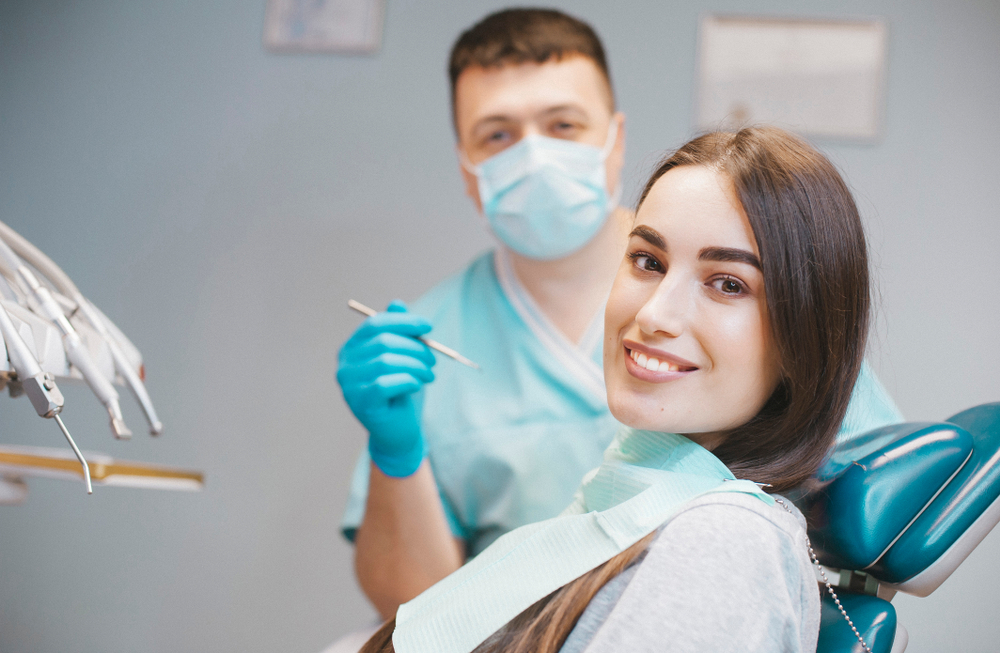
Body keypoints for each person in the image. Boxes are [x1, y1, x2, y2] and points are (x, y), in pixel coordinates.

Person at [335, 8, 902, 620]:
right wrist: (396, 451)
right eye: (498, 134)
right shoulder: (430, 338)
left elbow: (877, 518)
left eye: (563, 124)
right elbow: (420, 611)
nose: (657, 317)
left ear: (615, 140)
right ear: (466, 165)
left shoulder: (735, 529)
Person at [358, 125, 869, 653]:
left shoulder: (725, 542)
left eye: (728, 284)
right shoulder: (622, 501)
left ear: (803, 342)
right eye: (648, 262)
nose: (653, 315)